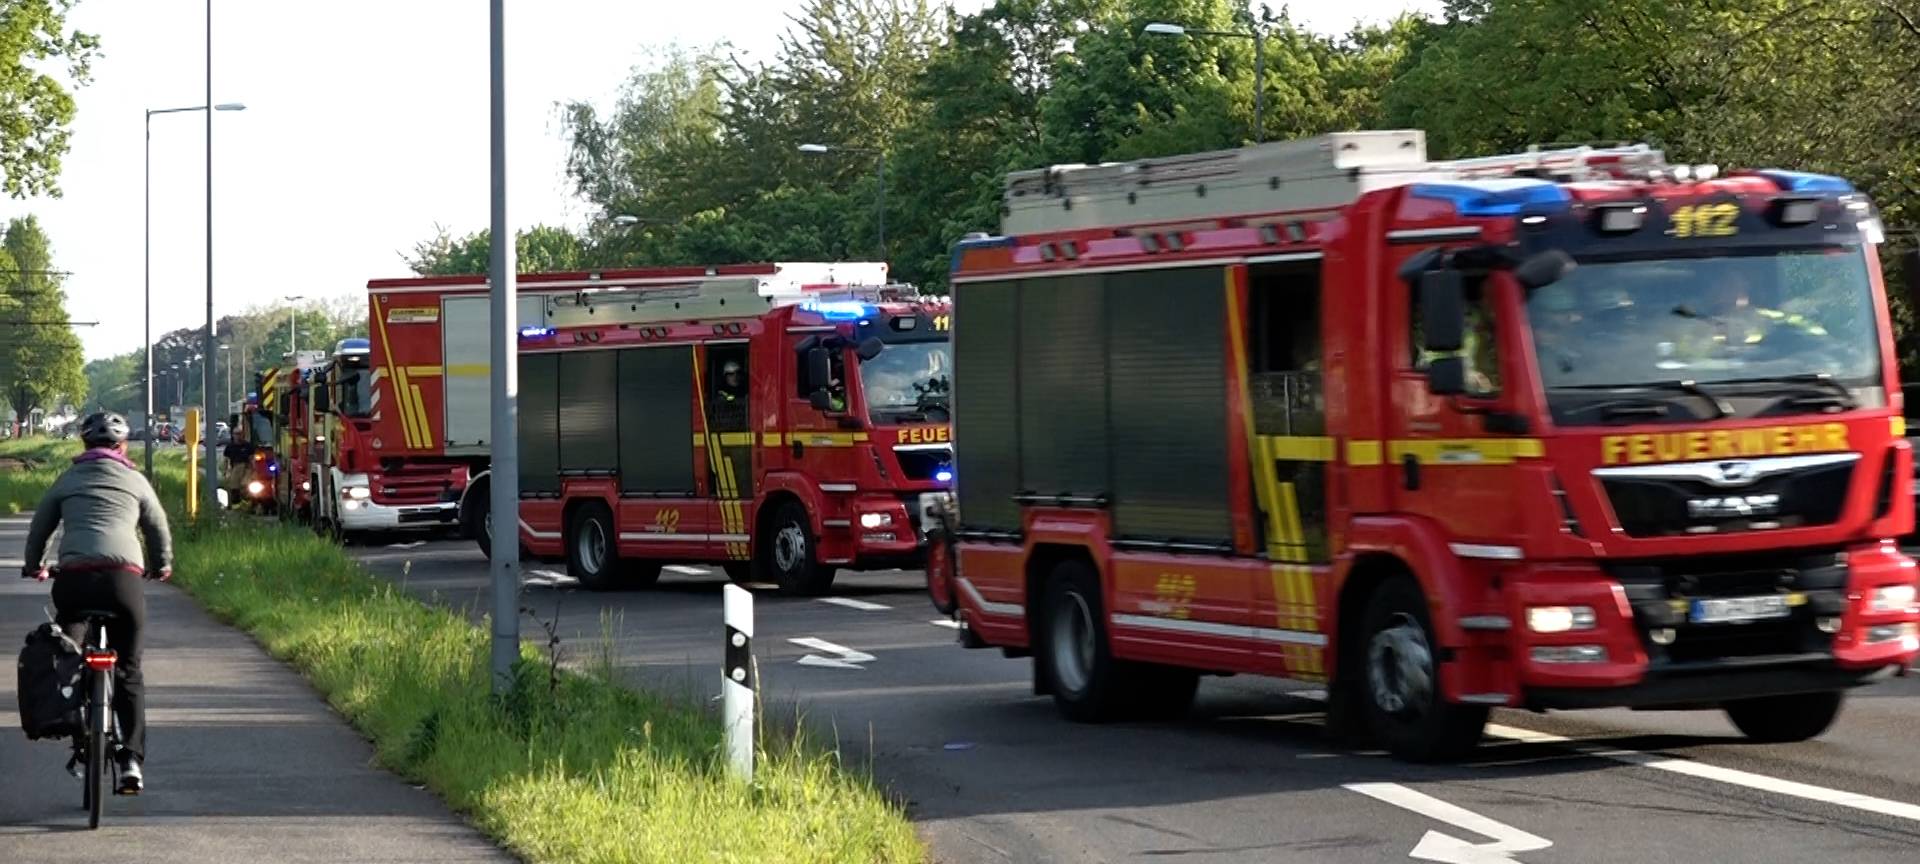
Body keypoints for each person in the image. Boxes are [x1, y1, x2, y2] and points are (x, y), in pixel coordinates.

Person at [20, 411, 173, 795]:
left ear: (84, 446)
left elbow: (41, 526)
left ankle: (77, 726)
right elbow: (156, 526)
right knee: (130, 671)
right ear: (122, 448)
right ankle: (131, 760)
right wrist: (162, 565)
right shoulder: (136, 480)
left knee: (67, 654)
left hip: (74, 583)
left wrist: (34, 565)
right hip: (124, 584)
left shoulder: (67, 479)